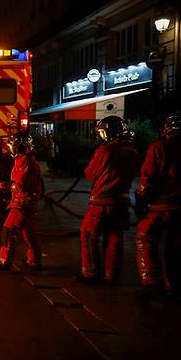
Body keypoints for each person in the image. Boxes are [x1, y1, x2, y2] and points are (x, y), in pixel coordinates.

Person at [76, 116, 139, 284]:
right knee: (115, 237)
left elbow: (90, 174)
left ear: (108, 133)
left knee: (89, 235)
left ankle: (90, 272)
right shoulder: (132, 152)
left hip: (100, 203)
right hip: (121, 203)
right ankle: (112, 275)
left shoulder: (104, 151)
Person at [134, 112, 181, 298]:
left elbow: (149, 177)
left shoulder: (159, 148)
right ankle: (174, 285)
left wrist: (141, 198)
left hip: (161, 206)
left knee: (144, 237)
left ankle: (152, 282)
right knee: (176, 245)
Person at [0, 131, 43, 271]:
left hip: (22, 203)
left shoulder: (25, 162)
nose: (10, 148)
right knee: (29, 233)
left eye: (13, 146)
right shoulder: (23, 160)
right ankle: (34, 260)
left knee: (8, 230)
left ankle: (4, 261)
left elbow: (20, 185)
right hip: (26, 201)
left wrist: (4, 185)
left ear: (21, 147)